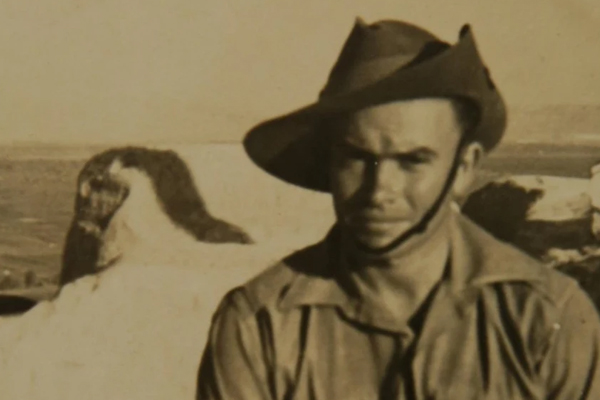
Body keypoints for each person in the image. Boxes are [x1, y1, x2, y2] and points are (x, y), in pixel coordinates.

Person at [196, 18, 600, 399]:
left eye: (412, 161)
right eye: (357, 158)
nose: (379, 190)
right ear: (329, 162)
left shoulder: (546, 320)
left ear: (463, 169)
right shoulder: (260, 325)